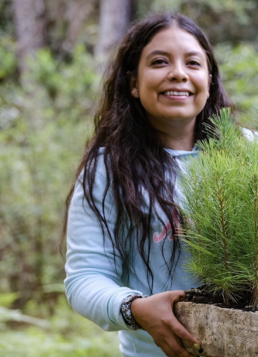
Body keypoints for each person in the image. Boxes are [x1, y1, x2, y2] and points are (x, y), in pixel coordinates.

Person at [63, 13, 232, 357]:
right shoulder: (109, 169)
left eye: (193, 63)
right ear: (134, 84)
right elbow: (84, 280)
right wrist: (135, 308)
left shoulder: (247, 151)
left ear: (209, 81)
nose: (179, 73)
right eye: (159, 62)